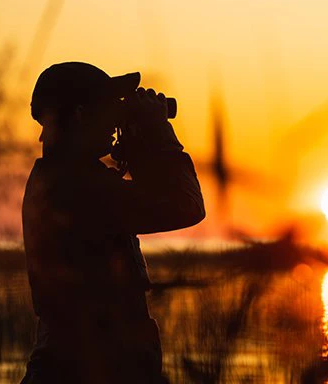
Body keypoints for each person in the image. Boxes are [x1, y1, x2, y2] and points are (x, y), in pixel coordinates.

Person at [20, 62, 205, 384]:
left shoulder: (65, 179)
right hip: (89, 367)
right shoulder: (75, 186)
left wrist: (138, 151)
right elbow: (183, 206)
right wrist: (161, 137)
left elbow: (151, 200)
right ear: (79, 114)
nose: (115, 117)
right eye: (108, 107)